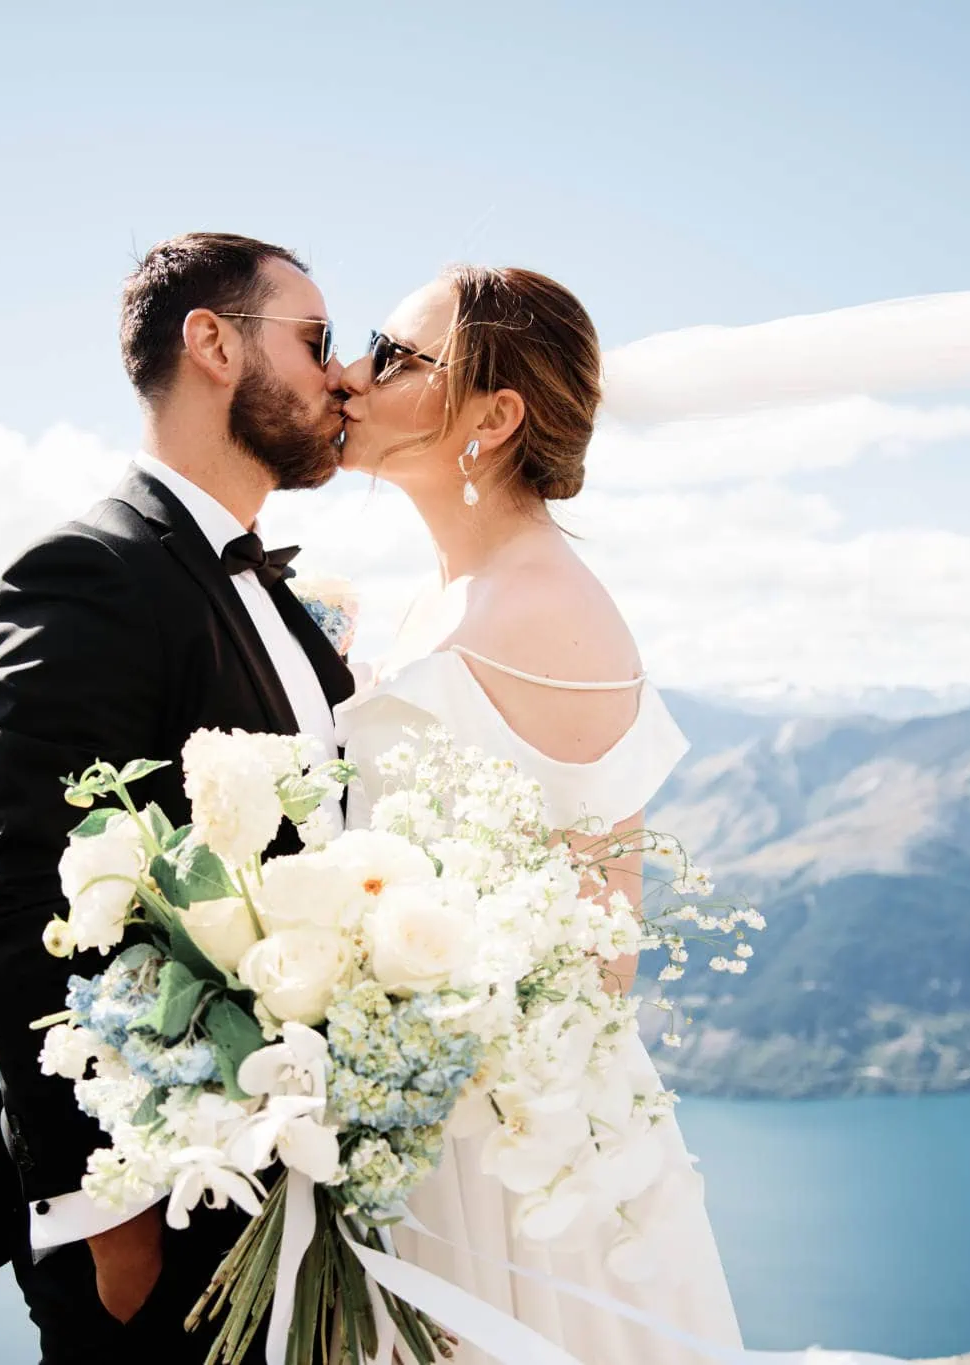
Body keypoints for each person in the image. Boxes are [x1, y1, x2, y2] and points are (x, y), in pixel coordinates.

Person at [331, 264, 745, 1363]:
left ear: (493, 415)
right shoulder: (449, 593)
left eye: (395, 356)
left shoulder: (547, 610)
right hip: (414, 1108)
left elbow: (600, 947)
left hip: (503, 1147)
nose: (351, 377)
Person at [0, 231, 354, 1363]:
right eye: (317, 339)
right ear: (213, 344)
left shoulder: (264, 588)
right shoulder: (91, 572)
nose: (339, 374)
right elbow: (20, 906)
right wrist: (113, 1214)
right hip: (155, 1207)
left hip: (274, 1170)